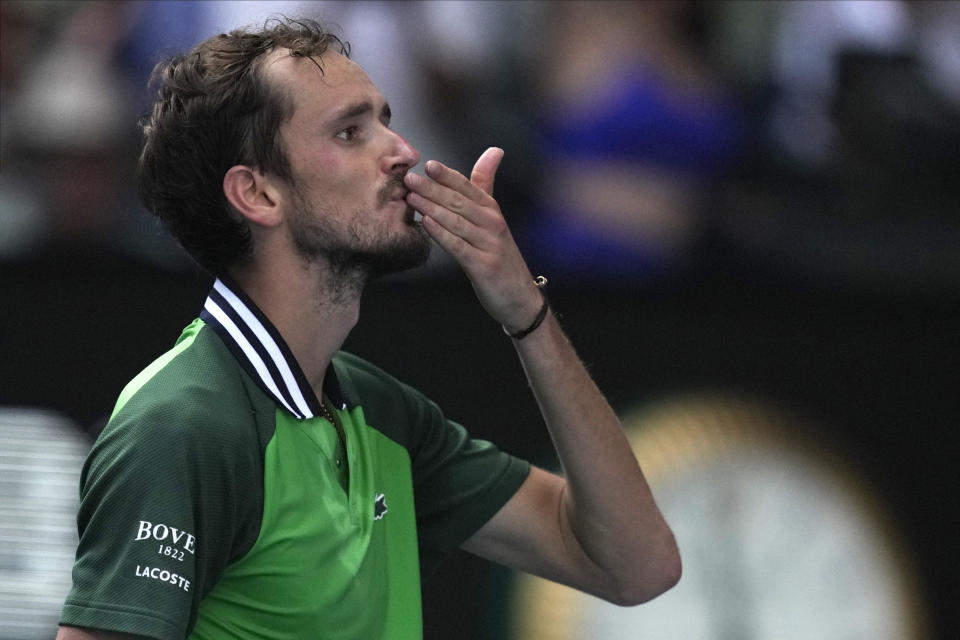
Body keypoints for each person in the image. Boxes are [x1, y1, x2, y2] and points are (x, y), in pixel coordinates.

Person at [57, 17, 680, 640]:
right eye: (351, 131)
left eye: (385, 119)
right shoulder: (181, 427)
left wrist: (528, 314)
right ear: (258, 194)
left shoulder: (381, 412)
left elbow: (637, 566)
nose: (403, 151)